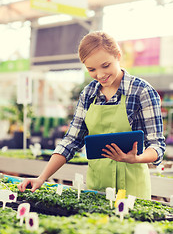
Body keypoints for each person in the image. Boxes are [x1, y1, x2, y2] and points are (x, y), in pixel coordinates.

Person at [18, 31, 165, 199]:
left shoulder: (142, 91)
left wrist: (137, 158)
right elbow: (71, 141)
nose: (100, 75)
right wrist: (41, 177)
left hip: (132, 191)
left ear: (118, 56)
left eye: (106, 65)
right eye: (91, 69)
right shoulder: (88, 94)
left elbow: (157, 145)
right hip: (97, 188)